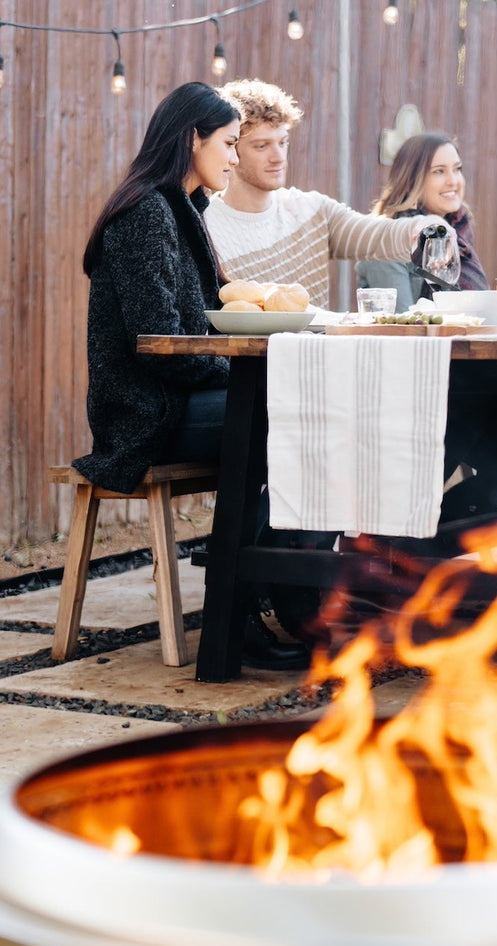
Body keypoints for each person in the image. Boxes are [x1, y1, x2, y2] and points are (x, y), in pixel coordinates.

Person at [74, 81, 305, 670]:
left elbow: (200, 330)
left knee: (298, 411)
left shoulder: (181, 209)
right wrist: (236, 364)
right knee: (280, 413)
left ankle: (273, 584)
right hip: (145, 413)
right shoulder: (146, 213)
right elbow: (159, 348)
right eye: (229, 144)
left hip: (177, 399)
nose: (233, 157)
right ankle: (243, 599)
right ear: (191, 139)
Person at [204, 79, 446, 308]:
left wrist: (426, 226)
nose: (278, 157)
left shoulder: (312, 210)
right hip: (246, 352)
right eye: (261, 146)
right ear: (231, 148)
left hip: (317, 351)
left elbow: (376, 235)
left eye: (283, 142)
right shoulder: (206, 226)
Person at [357, 132, 490, 310]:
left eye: (457, 169)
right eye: (439, 171)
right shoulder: (385, 245)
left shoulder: (458, 231)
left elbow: (478, 315)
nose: (453, 181)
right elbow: (402, 326)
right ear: (411, 181)